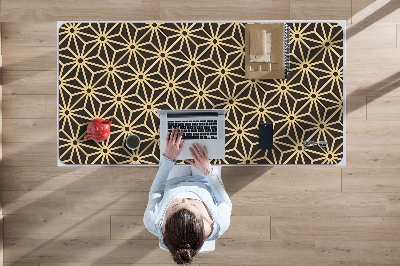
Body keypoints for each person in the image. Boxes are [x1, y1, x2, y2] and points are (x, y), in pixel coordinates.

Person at [144, 127, 232, 264]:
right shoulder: (220, 224)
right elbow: (224, 202)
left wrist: (168, 159)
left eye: (176, 206)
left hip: (173, 181)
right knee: (208, 139)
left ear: (165, 224)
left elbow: (156, 192)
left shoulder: (153, 222)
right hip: (205, 180)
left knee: (172, 143)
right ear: (204, 222)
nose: (184, 198)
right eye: (192, 205)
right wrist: (208, 171)